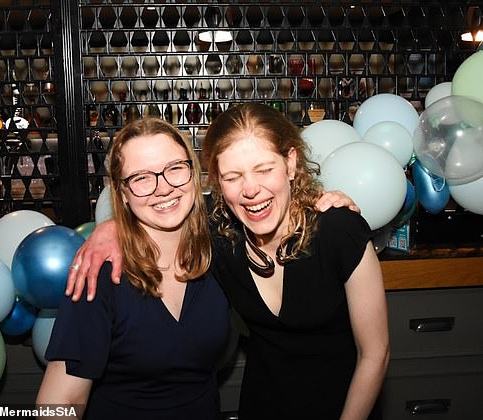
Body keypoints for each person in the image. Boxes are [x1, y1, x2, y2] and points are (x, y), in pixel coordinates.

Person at [68, 103, 389, 419]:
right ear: (217, 182)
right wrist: (110, 229)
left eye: (264, 169)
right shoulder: (221, 240)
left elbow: (375, 355)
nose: (251, 189)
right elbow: (160, 206)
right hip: (261, 407)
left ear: (290, 163)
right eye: (233, 176)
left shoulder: (338, 231)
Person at [36, 118, 231, 419]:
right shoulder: (100, 274)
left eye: (175, 168)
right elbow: (61, 402)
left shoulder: (218, 249)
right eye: (141, 178)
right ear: (122, 194)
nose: (163, 188)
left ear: (194, 173)